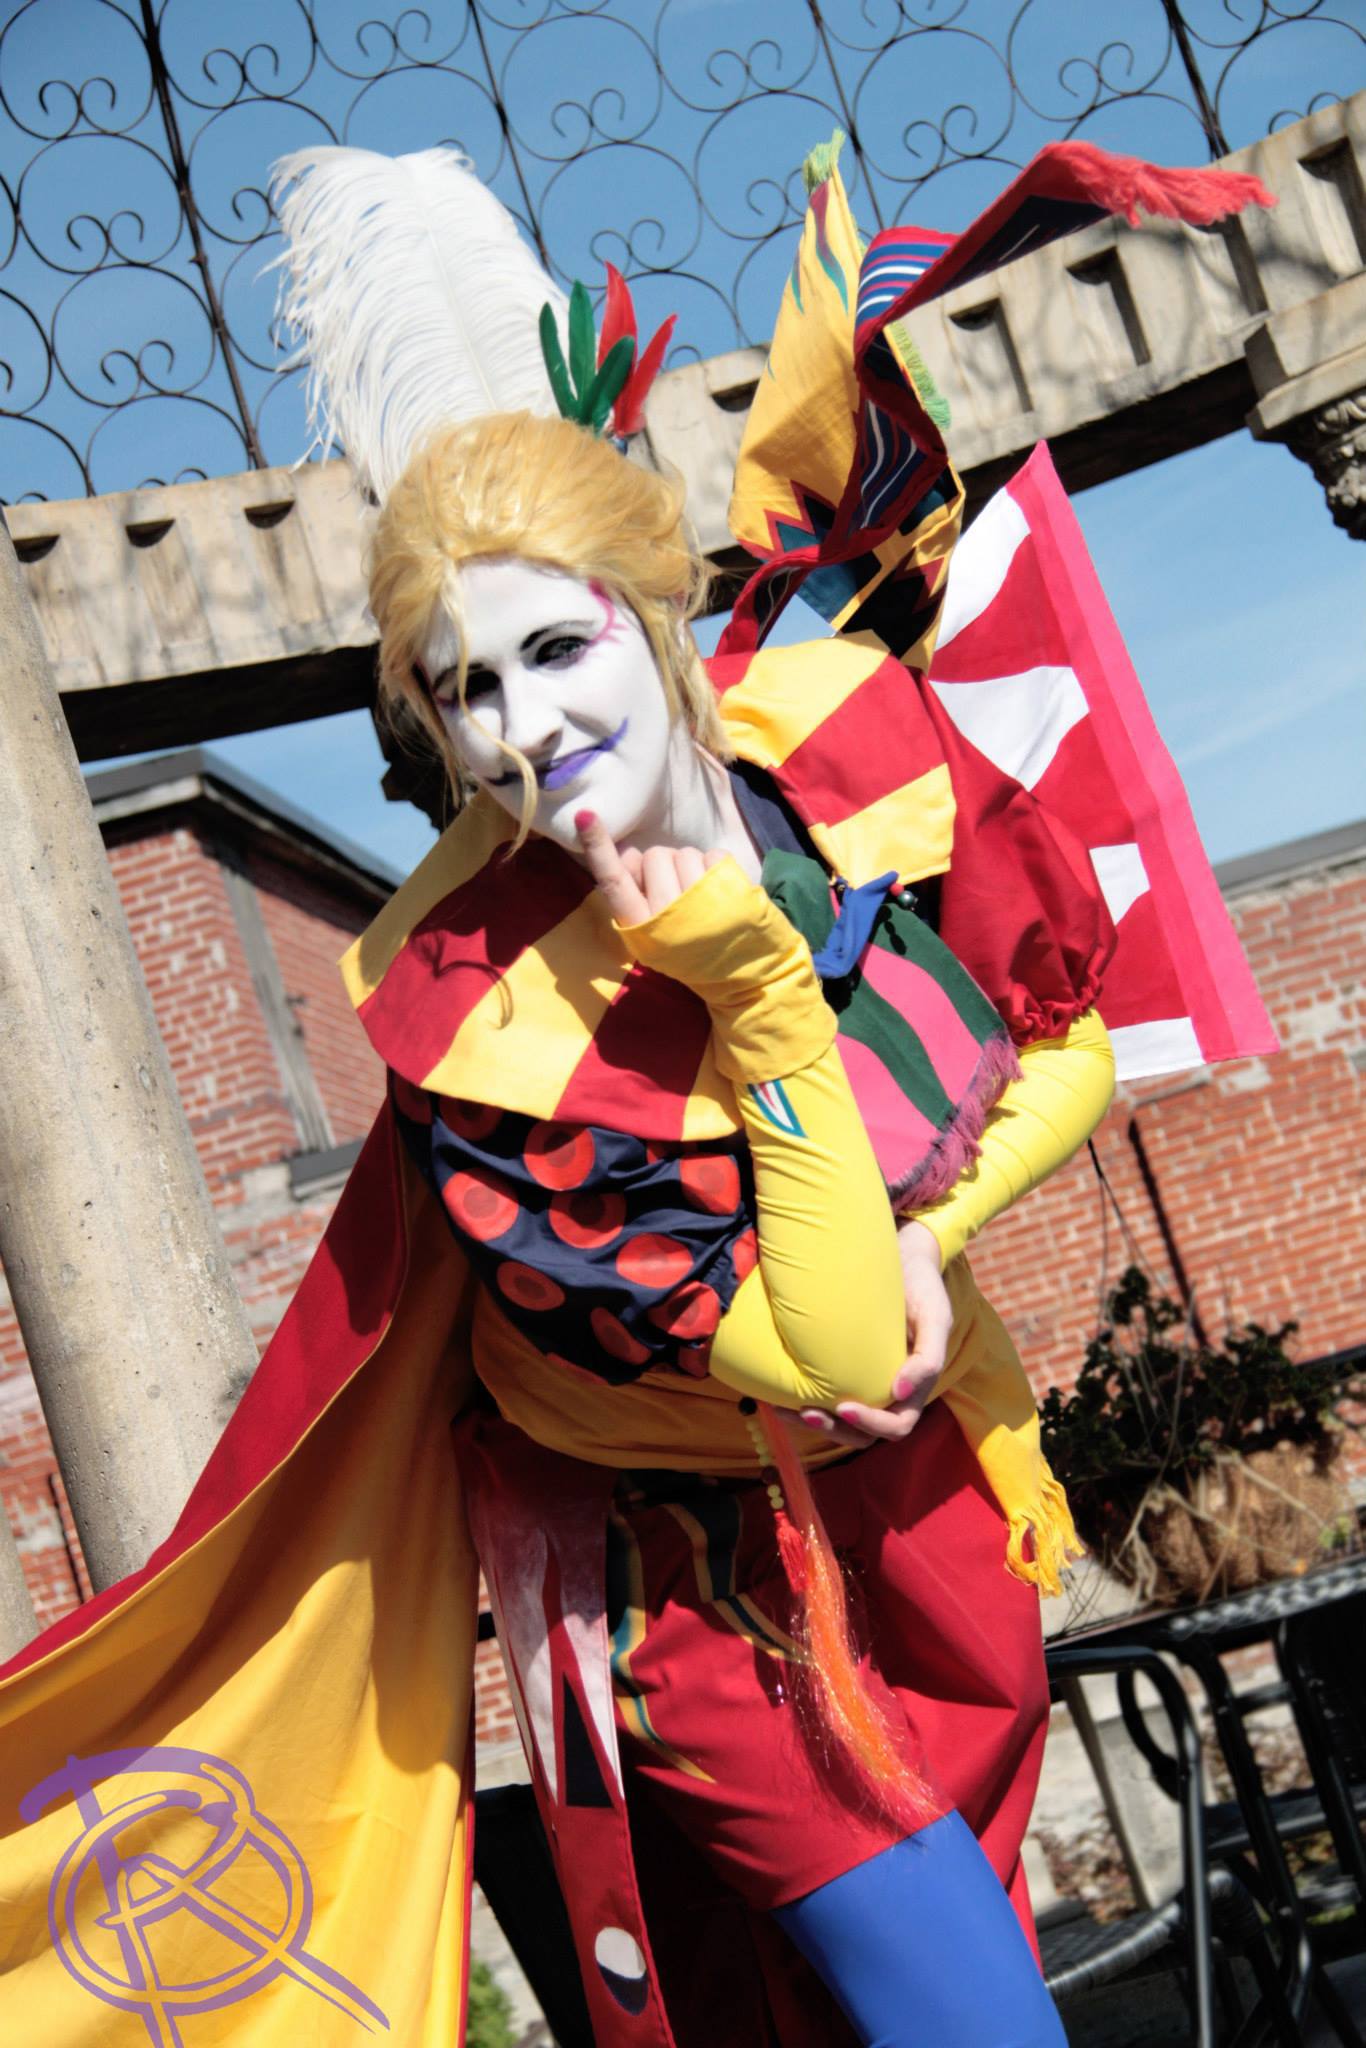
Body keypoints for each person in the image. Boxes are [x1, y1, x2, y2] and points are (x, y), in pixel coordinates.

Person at [0, 135, 1273, 2048]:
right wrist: (755, 993)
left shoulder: (831, 742)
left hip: (932, 1511)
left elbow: (1063, 1040)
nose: (524, 729)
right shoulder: (469, 1007)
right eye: (466, 690)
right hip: (700, 1593)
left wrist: (925, 1226)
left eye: (553, 648)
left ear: (646, 610)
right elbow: (820, 1347)